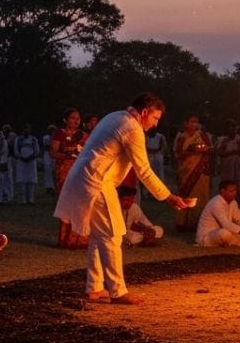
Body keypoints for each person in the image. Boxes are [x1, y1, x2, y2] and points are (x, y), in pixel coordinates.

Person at [54, 93, 189, 305]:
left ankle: (95, 288)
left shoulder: (116, 116)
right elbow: (143, 169)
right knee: (112, 235)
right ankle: (117, 291)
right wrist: (169, 196)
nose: (155, 125)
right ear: (144, 112)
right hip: (96, 181)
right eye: (154, 118)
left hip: (89, 179)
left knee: (100, 237)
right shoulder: (131, 127)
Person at [51, 109, 87, 247]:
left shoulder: (83, 135)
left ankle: (80, 239)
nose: (76, 121)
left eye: (78, 118)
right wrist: (69, 156)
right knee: (67, 203)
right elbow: (53, 153)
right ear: (66, 120)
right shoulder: (59, 133)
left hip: (81, 171)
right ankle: (66, 240)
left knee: (80, 203)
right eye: (72, 118)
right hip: (64, 170)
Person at [173, 115, 213, 232]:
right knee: (186, 195)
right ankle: (183, 223)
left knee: (201, 196)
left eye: (196, 122)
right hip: (186, 171)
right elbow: (177, 155)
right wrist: (191, 150)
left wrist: (203, 150)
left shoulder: (202, 135)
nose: (194, 124)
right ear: (186, 123)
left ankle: (198, 223)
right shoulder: (181, 137)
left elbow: (210, 149)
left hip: (201, 171)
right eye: (192, 122)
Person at [197, 179, 240, 247]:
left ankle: (238, 242)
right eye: (231, 191)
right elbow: (226, 224)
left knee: (233, 233)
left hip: (224, 231)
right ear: (223, 191)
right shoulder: (216, 202)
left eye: (235, 190)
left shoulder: (233, 202)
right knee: (224, 233)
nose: (234, 193)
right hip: (207, 236)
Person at [12, 123, 40, 204]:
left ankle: (31, 199)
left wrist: (30, 157)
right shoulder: (18, 139)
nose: (26, 130)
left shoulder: (34, 139)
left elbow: (37, 150)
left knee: (31, 180)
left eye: (27, 129)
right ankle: (24, 200)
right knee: (23, 180)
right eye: (24, 129)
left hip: (31, 162)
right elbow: (16, 151)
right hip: (21, 162)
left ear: (30, 130)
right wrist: (22, 157)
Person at [144, 127, 168, 199]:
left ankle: (160, 193)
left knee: (159, 175)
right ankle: (146, 193)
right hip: (148, 156)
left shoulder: (160, 137)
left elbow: (163, 147)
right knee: (147, 174)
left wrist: (157, 151)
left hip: (158, 156)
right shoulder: (145, 136)